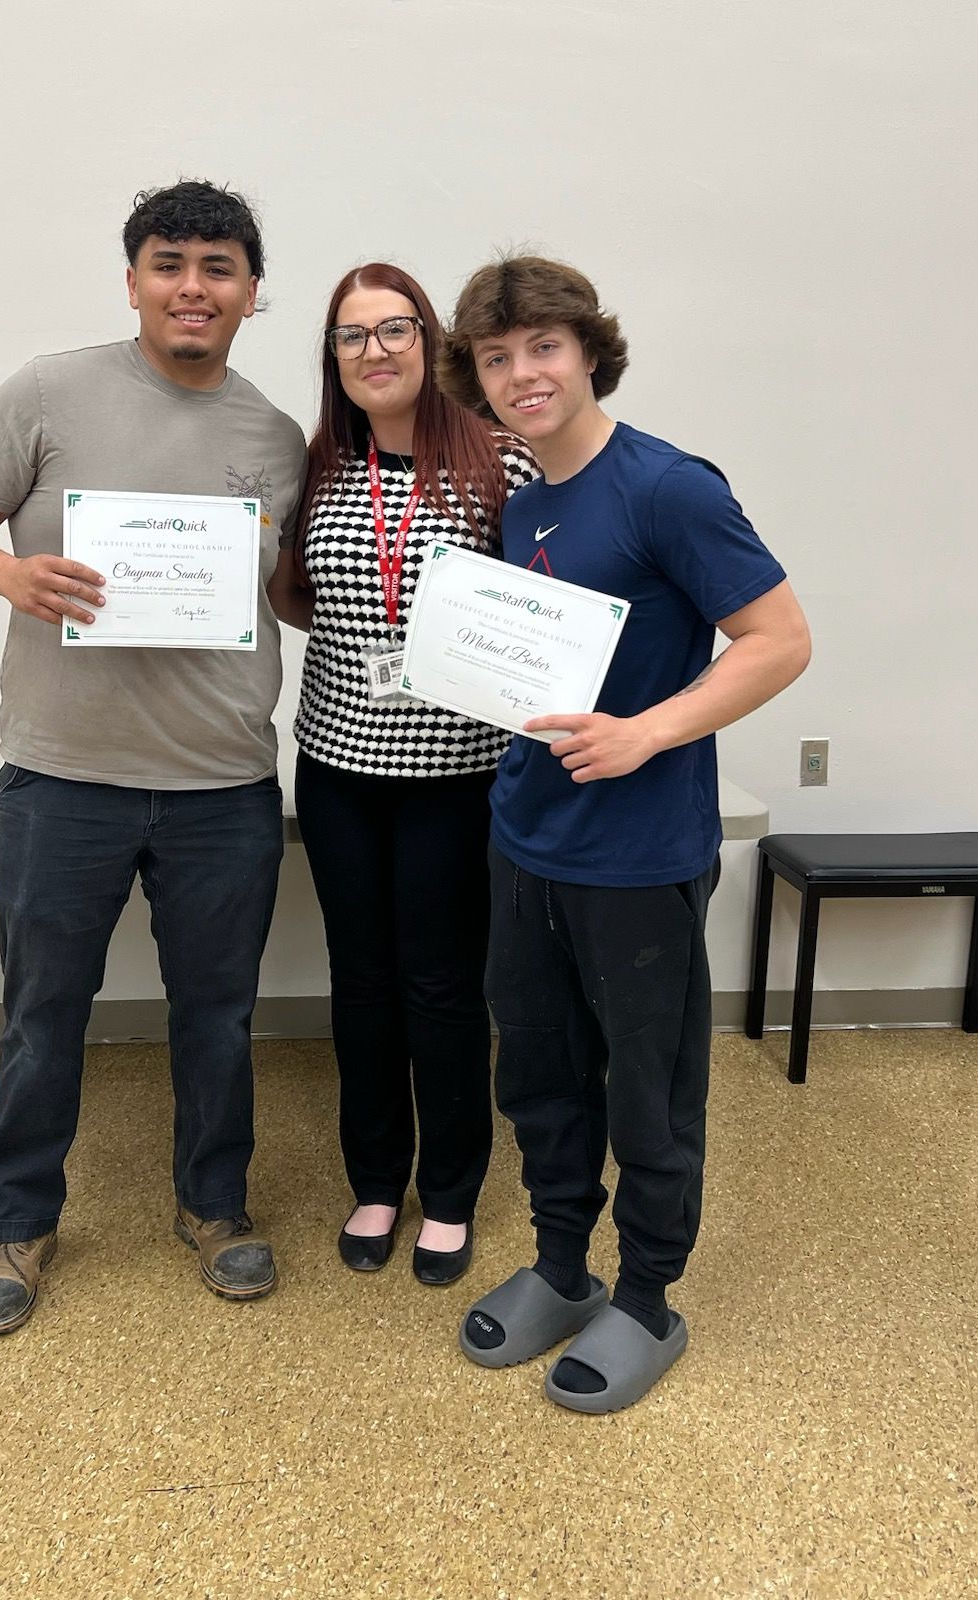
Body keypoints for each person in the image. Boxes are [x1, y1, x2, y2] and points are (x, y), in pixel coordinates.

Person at [0, 180, 308, 1335]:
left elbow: (286, 588)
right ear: (133, 278)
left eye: (218, 266)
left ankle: (216, 1207)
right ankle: (18, 1223)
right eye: (169, 262)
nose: (194, 286)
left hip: (222, 781)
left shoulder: (276, 436)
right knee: (45, 1007)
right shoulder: (48, 389)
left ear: (251, 290)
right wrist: (6, 575)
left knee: (217, 1012)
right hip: (63, 774)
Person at [437, 256, 811, 1411]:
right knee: (540, 1076)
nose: (521, 373)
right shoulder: (526, 494)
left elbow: (777, 638)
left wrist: (648, 732)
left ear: (589, 350)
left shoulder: (668, 486)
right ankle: (562, 1266)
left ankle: (648, 1295)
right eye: (496, 359)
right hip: (526, 840)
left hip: (639, 853)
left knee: (646, 1087)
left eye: (542, 347)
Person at [267, 264, 534, 1284]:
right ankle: (375, 1178)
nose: (374, 350)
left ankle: (453, 1189)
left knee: (442, 984)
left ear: (428, 341)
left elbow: (534, 605)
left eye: (394, 329)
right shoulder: (320, 463)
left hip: (457, 774)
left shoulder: (498, 460)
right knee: (362, 981)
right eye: (351, 336)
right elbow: (297, 593)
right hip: (337, 766)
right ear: (333, 358)